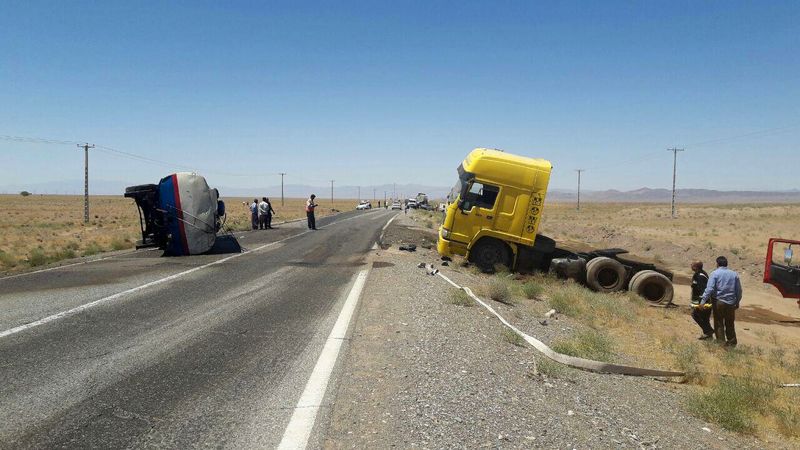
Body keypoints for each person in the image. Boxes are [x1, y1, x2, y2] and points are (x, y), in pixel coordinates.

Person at [700, 256, 743, 347]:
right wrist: (737, 301)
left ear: (717, 264)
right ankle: (731, 342)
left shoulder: (715, 274)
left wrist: (703, 300)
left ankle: (721, 342)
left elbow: (710, 289)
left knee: (719, 322)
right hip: (731, 302)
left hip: (718, 301)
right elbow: (739, 290)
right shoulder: (734, 274)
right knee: (730, 323)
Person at [689, 261, 713, 339]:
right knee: (704, 318)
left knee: (695, 315)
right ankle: (708, 335)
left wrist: (701, 303)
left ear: (696, 266)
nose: (690, 265)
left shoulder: (701, 276)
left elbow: (704, 290)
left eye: (692, 264)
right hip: (699, 300)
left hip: (703, 301)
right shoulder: (698, 274)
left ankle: (708, 331)